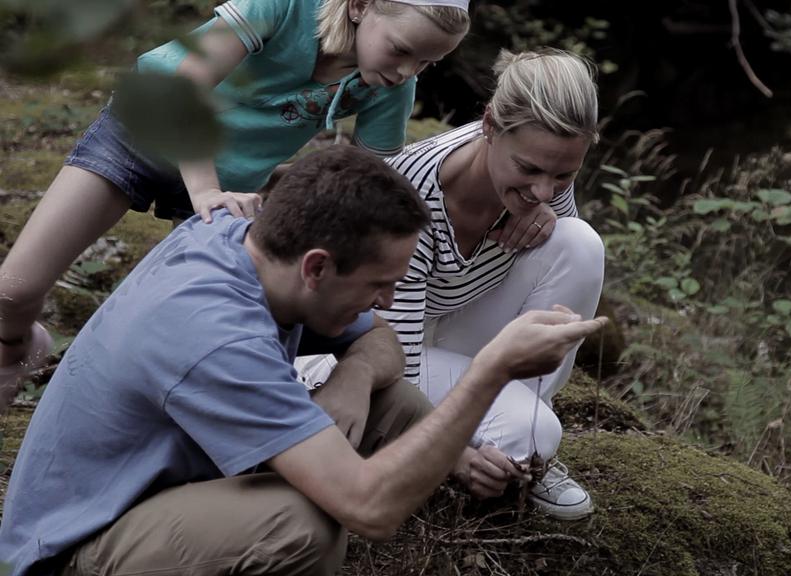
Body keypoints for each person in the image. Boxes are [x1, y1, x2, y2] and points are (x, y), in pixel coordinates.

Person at [0, 146, 607, 576]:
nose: (389, 302)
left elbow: (384, 345)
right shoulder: (212, 338)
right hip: (79, 542)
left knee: (392, 401)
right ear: (317, 266)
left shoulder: (249, 239)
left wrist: (354, 375)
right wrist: (489, 370)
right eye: (380, 284)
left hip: (170, 487)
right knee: (295, 527)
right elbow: (368, 509)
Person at [0, 0, 470, 409]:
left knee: (188, 328)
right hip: (144, 135)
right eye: (402, 50)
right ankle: (16, 345)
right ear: (361, 5)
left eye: (428, 63)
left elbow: (369, 181)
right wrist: (204, 191)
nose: (409, 71)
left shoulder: (388, 87)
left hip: (230, 184)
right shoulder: (284, 6)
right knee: (14, 290)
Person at [296, 48, 605, 520]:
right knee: (534, 432)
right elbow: (393, 359)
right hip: (368, 351)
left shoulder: (544, 176)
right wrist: (454, 456)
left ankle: (512, 440)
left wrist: (545, 205)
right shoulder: (414, 196)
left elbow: (558, 244)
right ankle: (502, 443)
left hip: (440, 328)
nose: (545, 191)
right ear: (489, 127)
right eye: (530, 170)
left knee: (579, 242)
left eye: (564, 174)